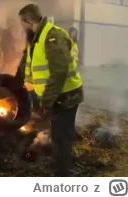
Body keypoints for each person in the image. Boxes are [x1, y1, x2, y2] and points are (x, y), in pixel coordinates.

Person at [15, 4, 84, 176]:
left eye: (22, 24)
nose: (21, 28)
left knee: (61, 139)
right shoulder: (35, 38)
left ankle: (62, 176)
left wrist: (45, 102)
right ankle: (60, 167)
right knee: (57, 136)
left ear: (28, 22)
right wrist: (12, 84)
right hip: (55, 96)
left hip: (66, 96)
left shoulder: (53, 36)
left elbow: (59, 72)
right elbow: (25, 63)